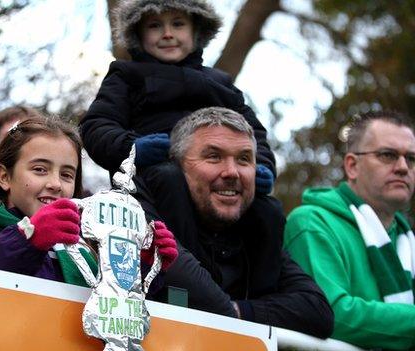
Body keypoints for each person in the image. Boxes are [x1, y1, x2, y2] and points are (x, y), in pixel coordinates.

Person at [137, 107, 334, 338]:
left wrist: (240, 311)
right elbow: (178, 272)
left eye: (243, 159)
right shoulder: (138, 208)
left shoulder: (260, 230)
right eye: (214, 156)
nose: (232, 172)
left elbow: (317, 311)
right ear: (175, 166)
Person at [0, 118, 177, 287]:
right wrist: (28, 240)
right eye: (40, 170)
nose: (56, 184)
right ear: (5, 177)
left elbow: (117, 316)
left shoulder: (90, 249)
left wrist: (144, 266)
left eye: (67, 174)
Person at [80, 0, 276, 194]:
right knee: (171, 179)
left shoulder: (219, 82)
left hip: (219, 176)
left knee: (267, 208)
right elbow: (97, 126)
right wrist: (132, 148)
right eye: (155, 25)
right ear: (139, 34)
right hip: (152, 178)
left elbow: (253, 131)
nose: (167, 34)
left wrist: (261, 165)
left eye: (178, 24)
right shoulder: (125, 76)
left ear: (196, 31)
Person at [285, 111, 415, 350]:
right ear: (352, 166)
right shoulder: (311, 223)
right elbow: (331, 313)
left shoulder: (409, 241)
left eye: (411, 158)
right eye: (388, 155)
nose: (403, 167)